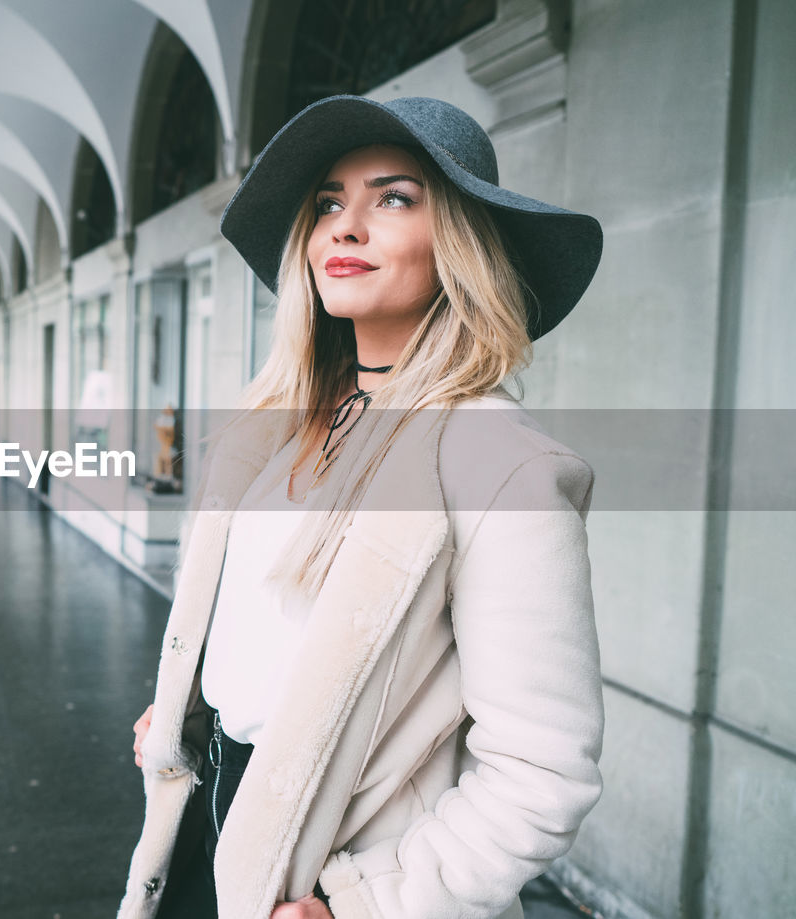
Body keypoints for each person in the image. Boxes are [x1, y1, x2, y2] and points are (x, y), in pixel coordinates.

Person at [117, 95, 606, 919]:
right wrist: (194, 702)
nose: (346, 226)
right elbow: (278, 629)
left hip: (335, 876)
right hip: (206, 826)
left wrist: (368, 906)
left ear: (459, 242)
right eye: (327, 204)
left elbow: (541, 772)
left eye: (393, 197)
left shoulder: (500, 465)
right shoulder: (277, 427)